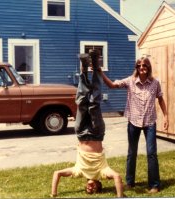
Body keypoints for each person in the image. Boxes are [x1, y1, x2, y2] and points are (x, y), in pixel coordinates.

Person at [50, 50, 125, 198]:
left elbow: (57, 173)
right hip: (97, 134)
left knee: (82, 102)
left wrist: (53, 194)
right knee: (94, 103)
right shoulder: (102, 172)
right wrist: (120, 196)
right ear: (99, 185)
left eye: (88, 190)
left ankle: (84, 67)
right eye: (94, 190)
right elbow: (117, 177)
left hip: (81, 133)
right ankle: (96, 62)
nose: (90, 189)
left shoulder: (79, 171)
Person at [98, 57, 169, 194]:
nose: (142, 67)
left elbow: (160, 99)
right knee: (132, 153)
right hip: (133, 122)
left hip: (149, 122)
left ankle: (154, 185)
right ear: (136, 67)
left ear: (149, 67)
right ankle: (130, 182)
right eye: (139, 65)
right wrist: (100, 72)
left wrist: (166, 117)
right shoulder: (130, 81)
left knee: (151, 154)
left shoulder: (155, 83)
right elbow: (112, 85)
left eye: (145, 65)